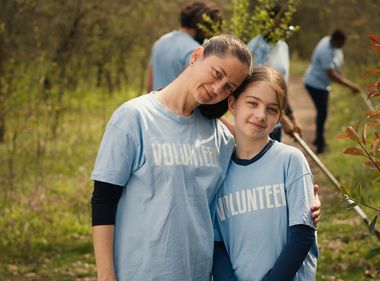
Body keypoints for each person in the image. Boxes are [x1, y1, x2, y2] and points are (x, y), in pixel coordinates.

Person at [90, 35, 320, 280]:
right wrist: (106, 275)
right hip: (140, 271)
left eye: (229, 87)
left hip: (199, 271)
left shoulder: (220, 137)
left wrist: (306, 201)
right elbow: (104, 200)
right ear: (197, 56)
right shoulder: (134, 117)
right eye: (217, 73)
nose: (217, 89)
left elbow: (257, 172)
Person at [212, 66, 317, 281]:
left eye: (271, 109)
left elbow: (303, 234)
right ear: (233, 104)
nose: (260, 115)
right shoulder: (218, 171)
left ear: (279, 116)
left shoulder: (290, 161)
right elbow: (217, 243)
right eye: (252, 103)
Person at [247, 3, 301, 142]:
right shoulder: (256, 47)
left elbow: (281, 87)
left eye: (286, 23)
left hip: (275, 122)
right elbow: (257, 90)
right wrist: (283, 120)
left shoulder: (283, 46)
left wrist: (292, 117)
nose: (284, 27)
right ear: (269, 22)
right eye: (280, 22)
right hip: (257, 121)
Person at [304, 29, 361, 154]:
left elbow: (336, 67)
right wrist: (350, 85)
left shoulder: (331, 43)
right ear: (336, 40)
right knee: (322, 112)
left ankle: (318, 140)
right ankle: (320, 144)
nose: (342, 47)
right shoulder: (325, 50)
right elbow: (331, 74)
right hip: (315, 84)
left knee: (322, 112)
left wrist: (345, 78)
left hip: (322, 85)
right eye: (341, 44)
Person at [146, 1, 222, 92]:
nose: (209, 35)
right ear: (201, 25)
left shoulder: (160, 42)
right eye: (209, 29)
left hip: (155, 103)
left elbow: (149, 85)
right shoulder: (194, 51)